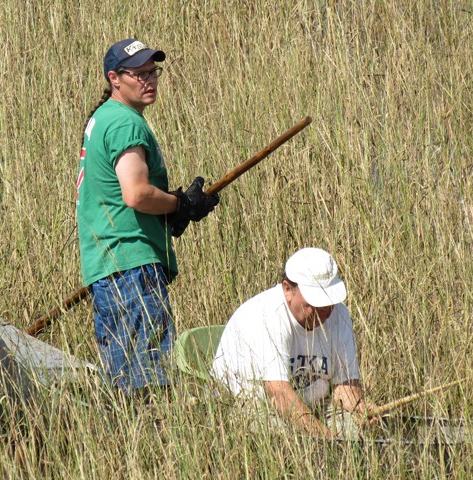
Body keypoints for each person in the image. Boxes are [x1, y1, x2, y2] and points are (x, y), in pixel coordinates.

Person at [76, 38, 219, 396]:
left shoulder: (104, 119)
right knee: (147, 384)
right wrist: (179, 204)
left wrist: (172, 210)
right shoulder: (125, 124)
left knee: (124, 382)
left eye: (152, 71)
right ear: (115, 78)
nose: (149, 80)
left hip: (112, 265)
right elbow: (136, 193)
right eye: (138, 74)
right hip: (132, 265)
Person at [211, 248, 377, 439]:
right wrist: (325, 437)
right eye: (315, 304)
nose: (325, 310)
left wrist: (358, 407)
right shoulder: (267, 315)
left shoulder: (339, 314)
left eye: (328, 302)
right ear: (287, 289)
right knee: (281, 436)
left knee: (355, 434)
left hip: (315, 403)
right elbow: (279, 394)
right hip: (255, 405)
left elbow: (345, 387)